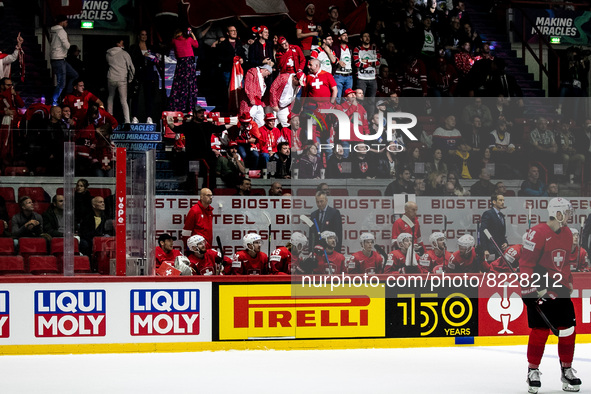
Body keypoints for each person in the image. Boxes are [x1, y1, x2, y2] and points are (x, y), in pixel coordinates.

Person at [519, 198, 581, 393]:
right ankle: (533, 371)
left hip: (560, 286)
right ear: (558, 214)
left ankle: (567, 369)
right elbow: (526, 264)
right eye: (567, 212)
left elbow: (565, 262)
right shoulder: (537, 233)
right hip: (540, 285)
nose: (570, 216)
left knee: (568, 329)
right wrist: (527, 289)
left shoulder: (568, 233)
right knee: (540, 329)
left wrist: (568, 280)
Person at [169, 28, 199, 112]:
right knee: (189, 84)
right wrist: (192, 34)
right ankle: (190, 106)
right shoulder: (188, 39)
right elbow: (196, 45)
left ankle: (178, 105)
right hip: (189, 64)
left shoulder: (174, 41)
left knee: (180, 85)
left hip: (181, 65)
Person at [50, 15, 78, 105]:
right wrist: (68, 40)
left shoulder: (53, 30)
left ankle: (67, 95)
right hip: (59, 59)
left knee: (74, 75)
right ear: (62, 22)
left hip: (57, 58)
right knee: (61, 83)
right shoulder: (61, 31)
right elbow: (67, 46)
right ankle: (54, 102)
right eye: (66, 22)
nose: (67, 23)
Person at [106, 38, 134, 124]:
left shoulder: (108, 54)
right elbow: (131, 67)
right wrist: (130, 78)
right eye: (122, 43)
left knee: (110, 97)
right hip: (122, 79)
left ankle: (109, 118)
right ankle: (127, 121)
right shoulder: (124, 53)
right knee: (123, 100)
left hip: (111, 77)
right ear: (118, 44)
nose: (123, 44)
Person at [480, 194, 508, 261]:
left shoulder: (501, 216)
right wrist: (485, 249)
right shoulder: (488, 214)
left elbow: (501, 233)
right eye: (500, 200)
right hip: (490, 249)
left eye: (503, 200)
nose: (503, 202)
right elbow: (483, 231)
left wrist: (505, 242)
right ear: (494, 202)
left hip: (500, 249)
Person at [353, 32, 381, 98]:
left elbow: (378, 62)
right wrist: (372, 62)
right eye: (365, 36)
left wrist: (366, 61)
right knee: (360, 100)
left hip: (373, 78)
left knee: (371, 101)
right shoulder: (357, 49)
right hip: (361, 78)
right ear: (361, 39)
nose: (367, 38)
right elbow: (357, 64)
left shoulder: (374, 49)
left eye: (368, 36)